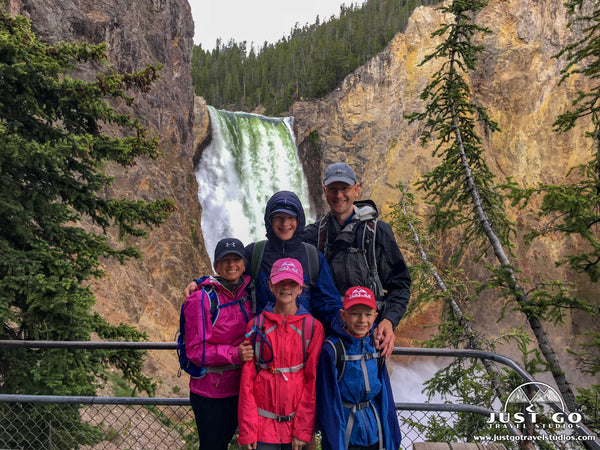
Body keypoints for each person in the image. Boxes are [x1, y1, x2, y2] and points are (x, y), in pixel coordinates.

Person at [185, 190, 341, 332]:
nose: (285, 224)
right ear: (269, 220)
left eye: (290, 218)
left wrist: (345, 325)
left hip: (301, 341)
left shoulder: (312, 256)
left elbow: (327, 302)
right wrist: (200, 282)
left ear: (299, 220)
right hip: (264, 340)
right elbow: (229, 275)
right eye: (279, 218)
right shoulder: (255, 253)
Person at [304, 163, 412, 358]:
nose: (338, 196)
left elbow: (400, 284)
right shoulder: (314, 235)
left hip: (370, 339)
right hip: (327, 342)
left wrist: (389, 320)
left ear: (356, 189)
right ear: (324, 191)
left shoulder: (377, 232)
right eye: (333, 189)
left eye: (344, 189)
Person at [238, 258, 325, 450]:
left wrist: (302, 430)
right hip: (262, 428)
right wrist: (248, 430)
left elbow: (312, 382)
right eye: (280, 282)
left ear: (301, 288)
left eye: (292, 283)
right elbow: (247, 382)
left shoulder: (312, 328)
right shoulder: (256, 326)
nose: (286, 287)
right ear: (270, 285)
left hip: (296, 427)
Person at [184, 237, 255, 450]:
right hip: (210, 391)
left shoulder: (250, 290)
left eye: (236, 259)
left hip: (242, 386)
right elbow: (195, 351)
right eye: (225, 260)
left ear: (244, 264)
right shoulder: (201, 299)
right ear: (216, 265)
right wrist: (235, 354)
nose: (231, 265)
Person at [316, 286, 401, 450]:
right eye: (355, 313)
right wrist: (334, 443)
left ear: (375, 317)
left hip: (375, 432)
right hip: (347, 436)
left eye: (368, 314)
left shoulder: (376, 346)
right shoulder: (332, 350)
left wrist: (392, 437)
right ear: (343, 315)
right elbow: (327, 401)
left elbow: (385, 396)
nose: (362, 320)